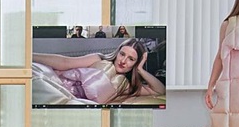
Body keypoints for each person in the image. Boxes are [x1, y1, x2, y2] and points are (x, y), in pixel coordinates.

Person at [32, 38, 165, 106]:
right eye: (122, 54)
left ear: (136, 63)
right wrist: (29, 56)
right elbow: (66, 62)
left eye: (131, 59)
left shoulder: (127, 86)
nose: (123, 61)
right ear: (117, 52)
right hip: (57, 85)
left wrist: (140, 69)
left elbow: (160, 90)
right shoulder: (98, 59)